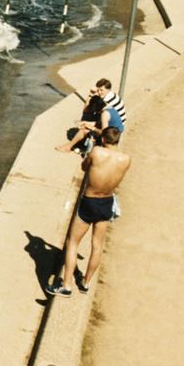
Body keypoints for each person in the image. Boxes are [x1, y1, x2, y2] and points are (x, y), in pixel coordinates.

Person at [47, 127, 131, 297]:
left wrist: (92, 147)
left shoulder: (97, 152)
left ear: (104, 139)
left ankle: (66, 285)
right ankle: (85, 282)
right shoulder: (126, 159)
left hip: (90, 201)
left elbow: (84, 166)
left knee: (72, 242)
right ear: (118, 139)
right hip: (106, 202)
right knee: (97, 245)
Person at [55, 94, 124, 153]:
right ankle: (75, 145)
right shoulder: (109, 107)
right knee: (86, 127)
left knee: (83, 131)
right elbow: (100, 123)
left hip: (111, 137)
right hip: (116, 134)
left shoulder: (105, 114)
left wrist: (92, 128)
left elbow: (104, 133)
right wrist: (86, 123)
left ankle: (68, 147)